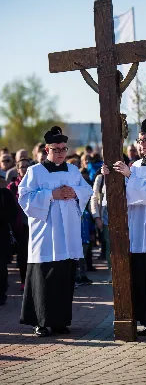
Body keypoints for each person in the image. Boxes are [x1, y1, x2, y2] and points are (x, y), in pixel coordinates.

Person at [102, 117, 146, 340]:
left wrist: (129, 177)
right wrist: (110, 177)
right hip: (137, 234)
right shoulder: (134, 166)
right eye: (140, 140)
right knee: (141, 280)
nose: (142, 144)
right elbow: (125, 194)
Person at [18, 126, 93, 337]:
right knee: (43, 280)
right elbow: (23, 197)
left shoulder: (73, 170)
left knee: (64, 279)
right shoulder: (34, 171)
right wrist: (52, 194)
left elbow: (87, 190)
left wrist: (74, 191)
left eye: (63, 149)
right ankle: (41, 322)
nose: (60, 153)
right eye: (56, 149)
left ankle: (60, 321)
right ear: (46, 149)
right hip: (45, 235)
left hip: (67, 235)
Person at [7, 158, 31, 291]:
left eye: (27, 166)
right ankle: (24, 281)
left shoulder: (35, 184)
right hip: (19, 226)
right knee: (23, 255)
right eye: (22, 167)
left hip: (35, 224)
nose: (25, 169)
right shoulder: (12, 186)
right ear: (17, 170)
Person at [0, 187, 18, 305]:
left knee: (1, 267)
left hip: (2, 236)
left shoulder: (4, 193)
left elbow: (13, 213)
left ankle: (1, 294)